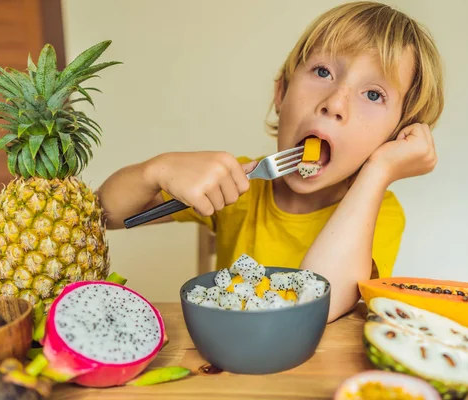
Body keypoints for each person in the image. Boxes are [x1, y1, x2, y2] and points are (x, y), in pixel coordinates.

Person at [96, 1, 444, 322]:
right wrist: (158, 169)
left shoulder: (380, 211)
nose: (335, 103)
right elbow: (107, 215)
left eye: (373, 94)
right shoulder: (242, 181)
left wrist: (378, 171)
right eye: (322, 71)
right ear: (281, 93)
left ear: (394, 137)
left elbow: (317, 305)